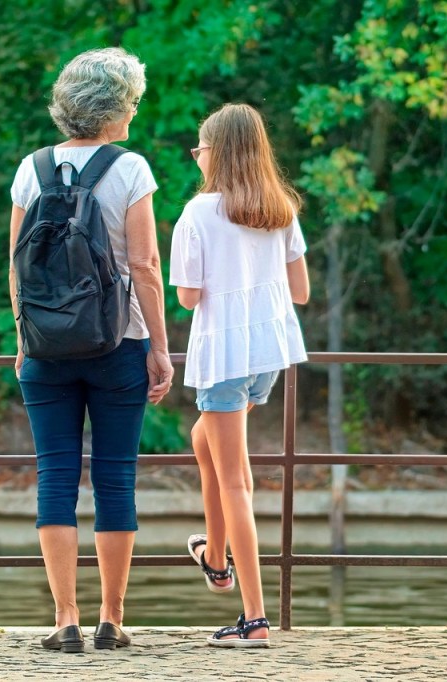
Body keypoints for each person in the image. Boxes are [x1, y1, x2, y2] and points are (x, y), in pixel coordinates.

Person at [8, 47, 174, 653]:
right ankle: (111, 619)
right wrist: (159, 345)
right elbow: (146, 266)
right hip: (117, 343)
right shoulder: (130, 169)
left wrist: (25, 338)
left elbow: (17, 268)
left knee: (55, 475)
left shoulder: (31, 169)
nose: (135, 111)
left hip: (46, 347)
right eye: (132, 101)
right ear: (116, 108)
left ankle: (65, 620)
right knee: (114, 478)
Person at [169, 102, 310, 648]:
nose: (196, 158)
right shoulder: (281, 209)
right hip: (268, 355)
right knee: (203, 438)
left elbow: (187, 297)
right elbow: (299, 293)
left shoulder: (199, 214)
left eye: (200, 149)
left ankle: (252, 615)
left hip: (224, 358)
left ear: (217, 153)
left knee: (236, 480)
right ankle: (215, 556)